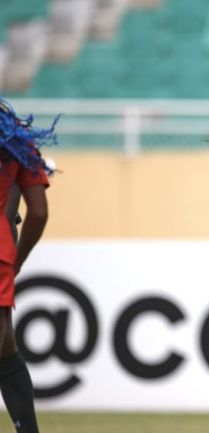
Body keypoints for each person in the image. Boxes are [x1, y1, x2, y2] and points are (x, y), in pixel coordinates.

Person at [0, 98, 56, 433]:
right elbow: (38, 212)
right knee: (4, 348)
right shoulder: (15, 137)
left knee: (5, 349)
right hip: (1, 255)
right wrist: (15, 261)